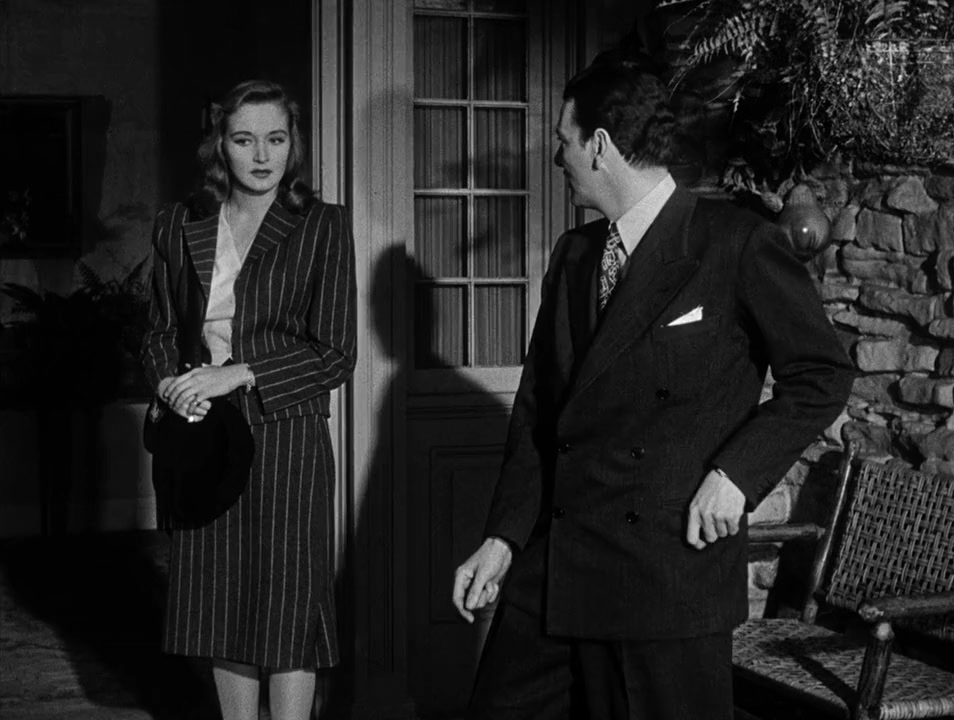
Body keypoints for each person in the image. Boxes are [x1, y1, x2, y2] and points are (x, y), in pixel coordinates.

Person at [452, 59, 854, 720]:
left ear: (600, 146)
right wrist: (504, 537)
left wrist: (737, 474)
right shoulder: (574, 255)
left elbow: (822, 374)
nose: (557, 156)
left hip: (662, 574)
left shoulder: (736, 243)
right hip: (556, 568)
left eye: (563, 140)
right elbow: (537, 413)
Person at [141, 79, 356, 720]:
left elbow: (335, 353)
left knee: (289, 605)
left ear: (294, 145)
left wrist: (237, 374)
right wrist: (173, 387)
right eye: (244, 140)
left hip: (287, 439)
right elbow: (158, 333)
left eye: (276, 139)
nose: (262, 156)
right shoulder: (179, 224)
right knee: (220, 607)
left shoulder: (322, 225)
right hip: (202, 438)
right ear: (219, 146)